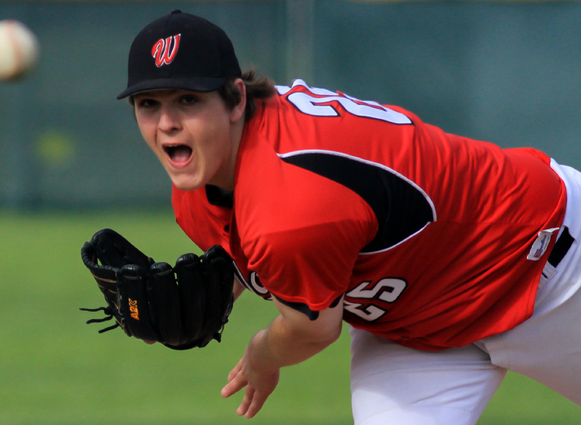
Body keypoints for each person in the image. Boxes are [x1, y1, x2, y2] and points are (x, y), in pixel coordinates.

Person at [117, 10, 581, 424]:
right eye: (149, 105)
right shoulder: (202, 183)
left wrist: (263, 353)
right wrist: (213, 296)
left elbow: (312, 329)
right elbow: (250, 256)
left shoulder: (291, 205)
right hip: (412, 328)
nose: (167, 124)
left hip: (542, 264)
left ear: (237, 99)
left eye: (188, 101)